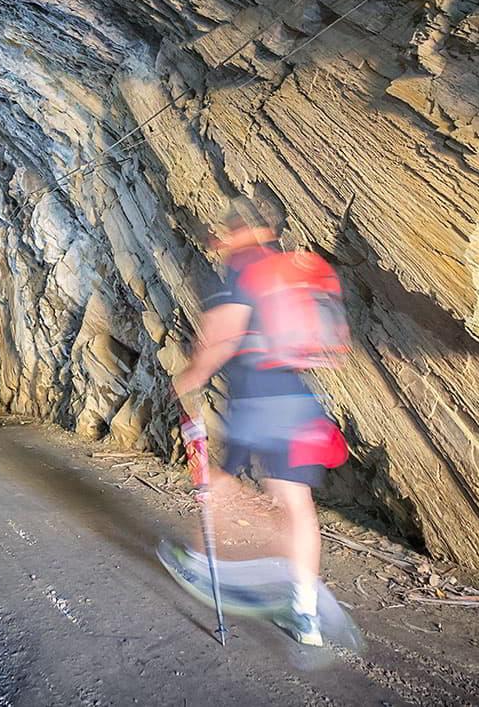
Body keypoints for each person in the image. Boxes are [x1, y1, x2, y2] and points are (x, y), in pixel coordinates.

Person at [172, 199, 348, 647]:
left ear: (237, 233)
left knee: (221, 482)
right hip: (300, 403)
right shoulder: (290, 274)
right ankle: (305, 613)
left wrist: (189, 378)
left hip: (258, 402)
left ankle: (203, 563)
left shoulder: (243, 271)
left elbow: (223, 336)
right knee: (296, 504)